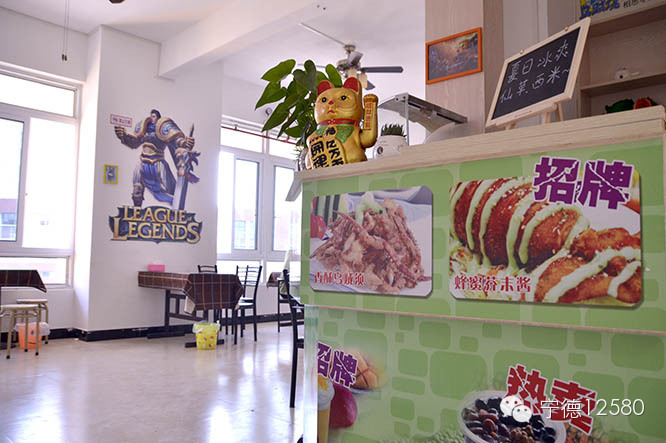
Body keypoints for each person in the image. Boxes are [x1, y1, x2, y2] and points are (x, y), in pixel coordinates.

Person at [114, 109, 198, 207]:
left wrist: (185, 143)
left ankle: (176, 212)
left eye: (153, 116)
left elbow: (177, 141)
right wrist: (123, 136)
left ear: (158, 118)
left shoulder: (164, 128)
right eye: (151, 116)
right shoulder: (144, 129)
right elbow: (134, 143)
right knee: (136, 192)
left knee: (171, 192)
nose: (151, 118)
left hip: (158, 164)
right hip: (142, 163)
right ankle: (136, 212)